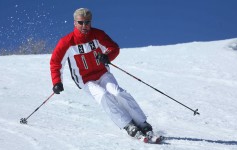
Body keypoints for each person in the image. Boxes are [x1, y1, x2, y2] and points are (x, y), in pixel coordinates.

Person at [50, 8, 157, 142]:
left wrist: (107, 56)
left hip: (102, 73)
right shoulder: (67, 42)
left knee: (117, 92)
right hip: (86, 80)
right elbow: (56, 63)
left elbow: (114, 48)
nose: (84, 26)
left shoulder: (97, 34)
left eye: (87, 22)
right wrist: (56, 82)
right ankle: (128, 125)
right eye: (81, 22)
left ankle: (143, 123)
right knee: (103, 95)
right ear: (75, 23)